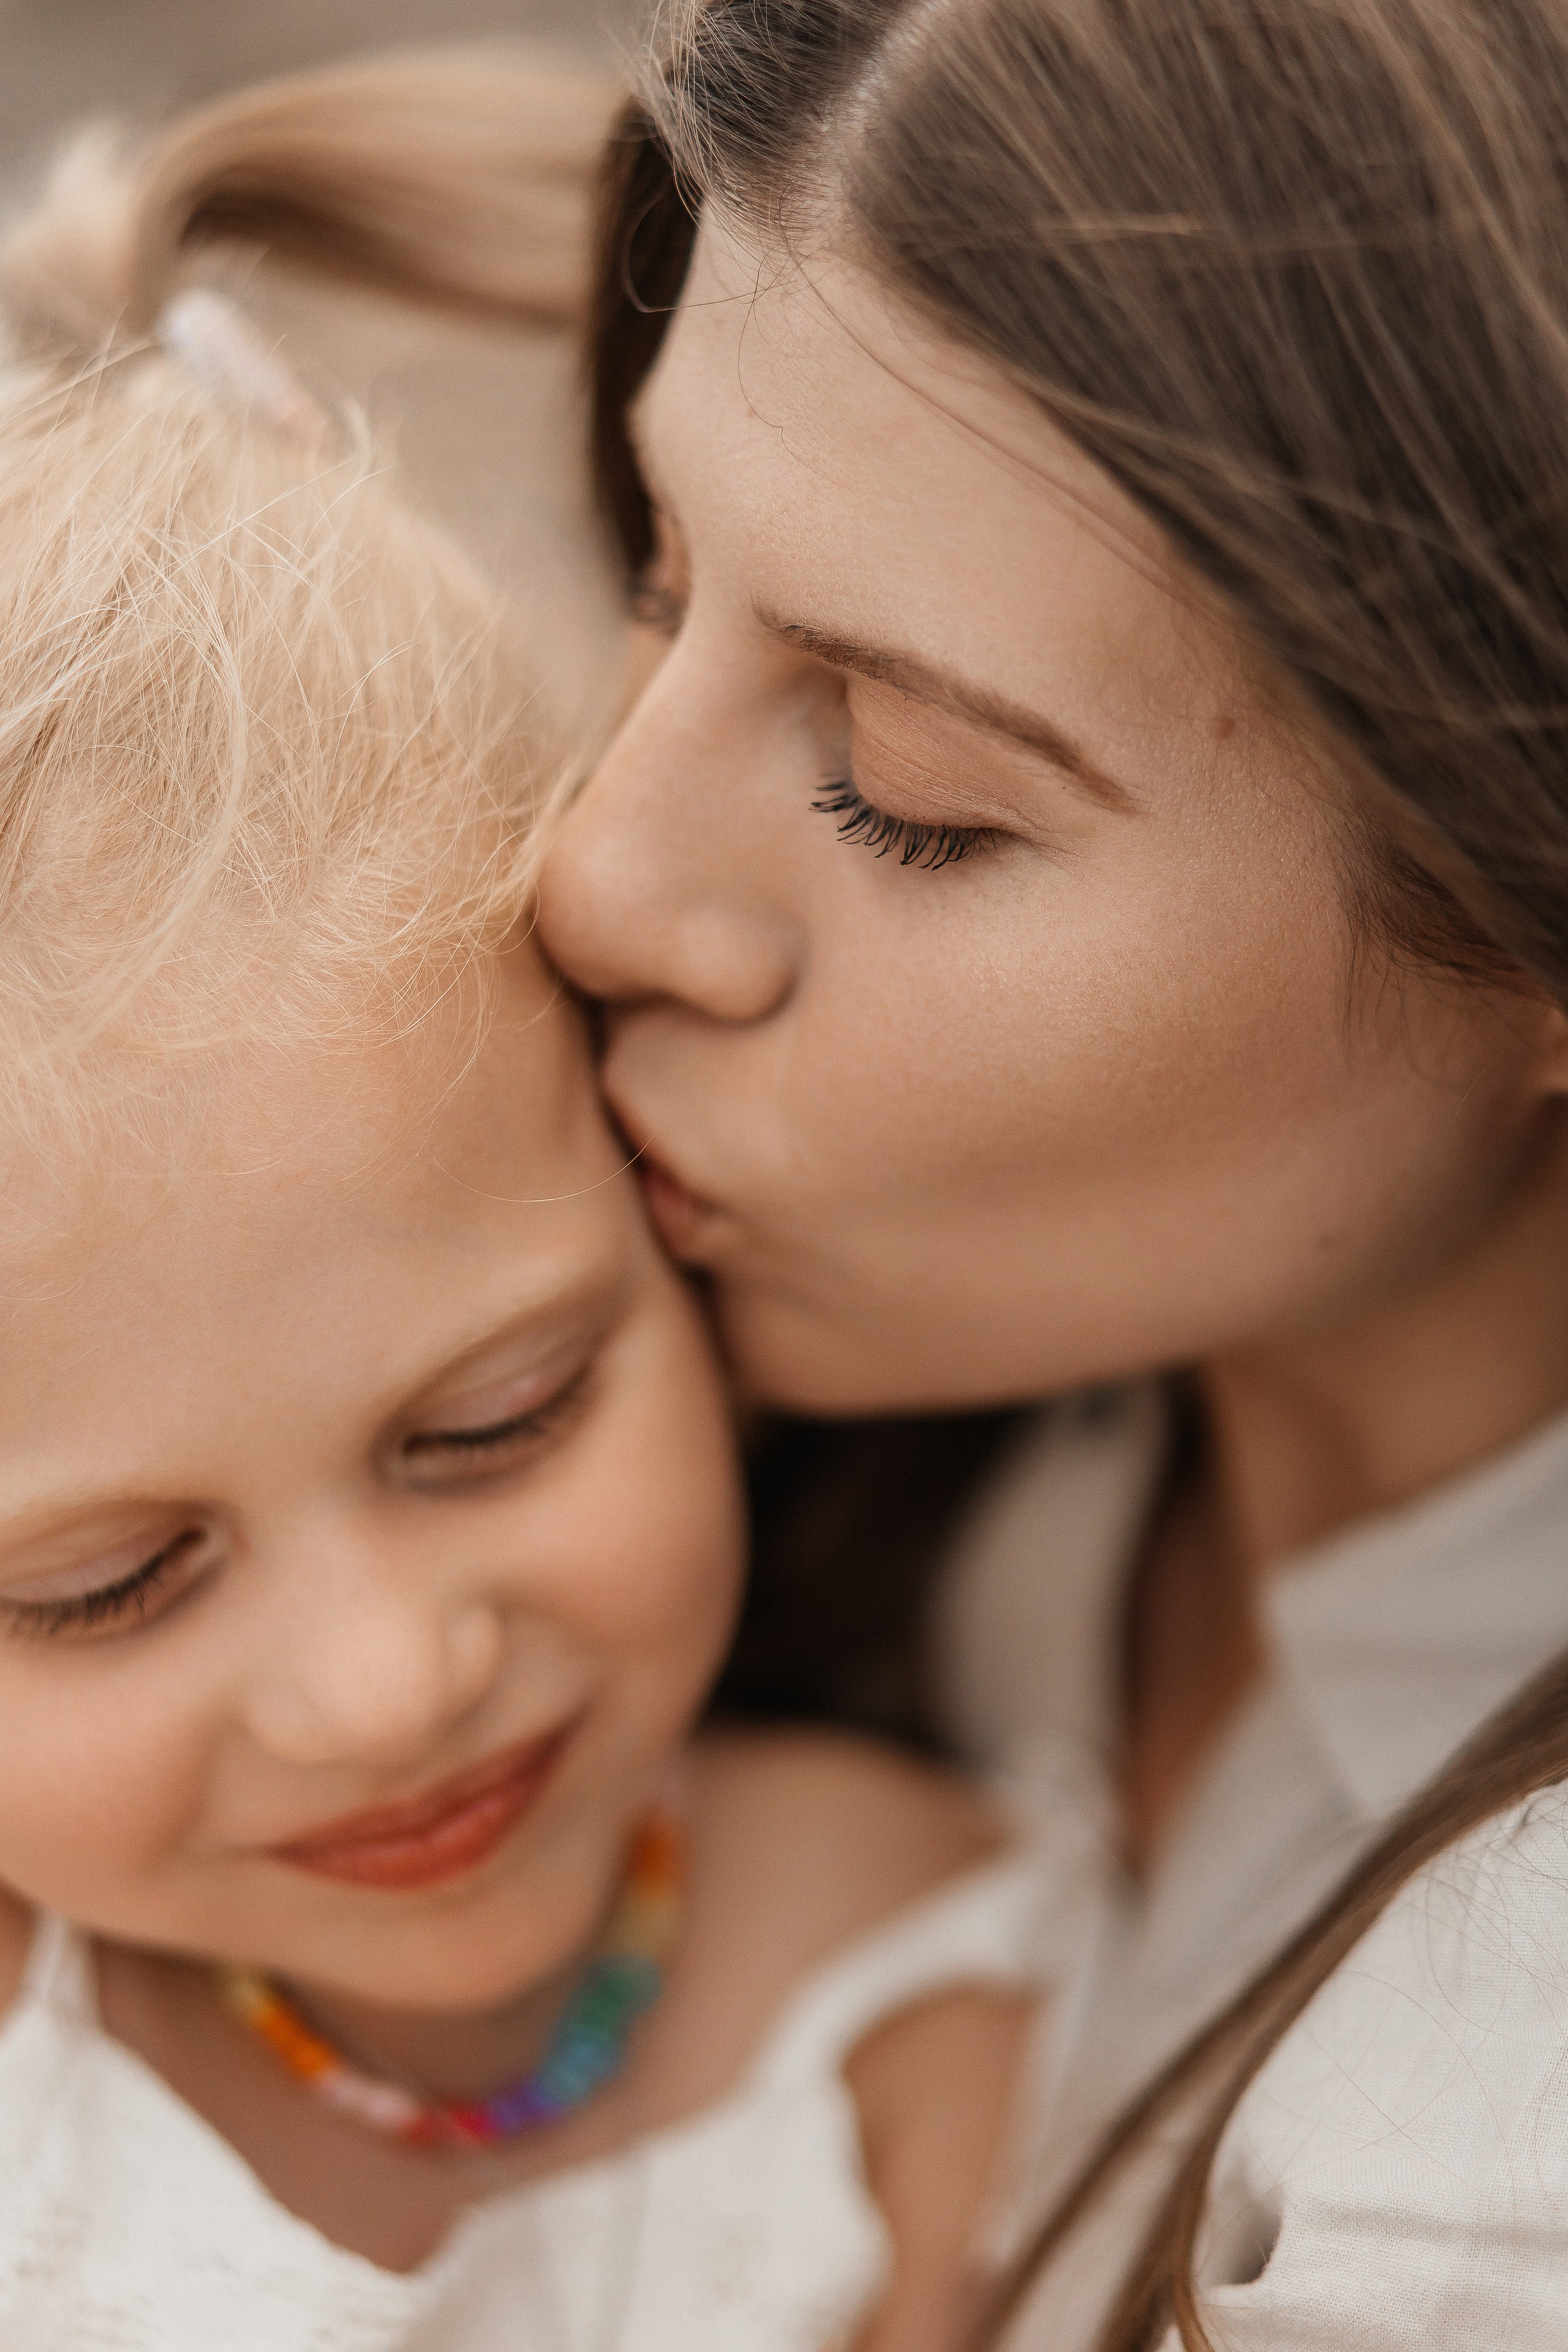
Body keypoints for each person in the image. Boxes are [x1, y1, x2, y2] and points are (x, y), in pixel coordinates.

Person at [533, 2, 1568, 2346]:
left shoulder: (1501, 2167)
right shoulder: (960, 1481)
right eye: (665, 571)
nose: (591, 875)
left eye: (909, 787)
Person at [0, 59, 1043, 2352]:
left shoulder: (916, 1992)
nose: (394, 1687)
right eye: (102, 1586)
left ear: (667, 1216)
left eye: (497, 1422)